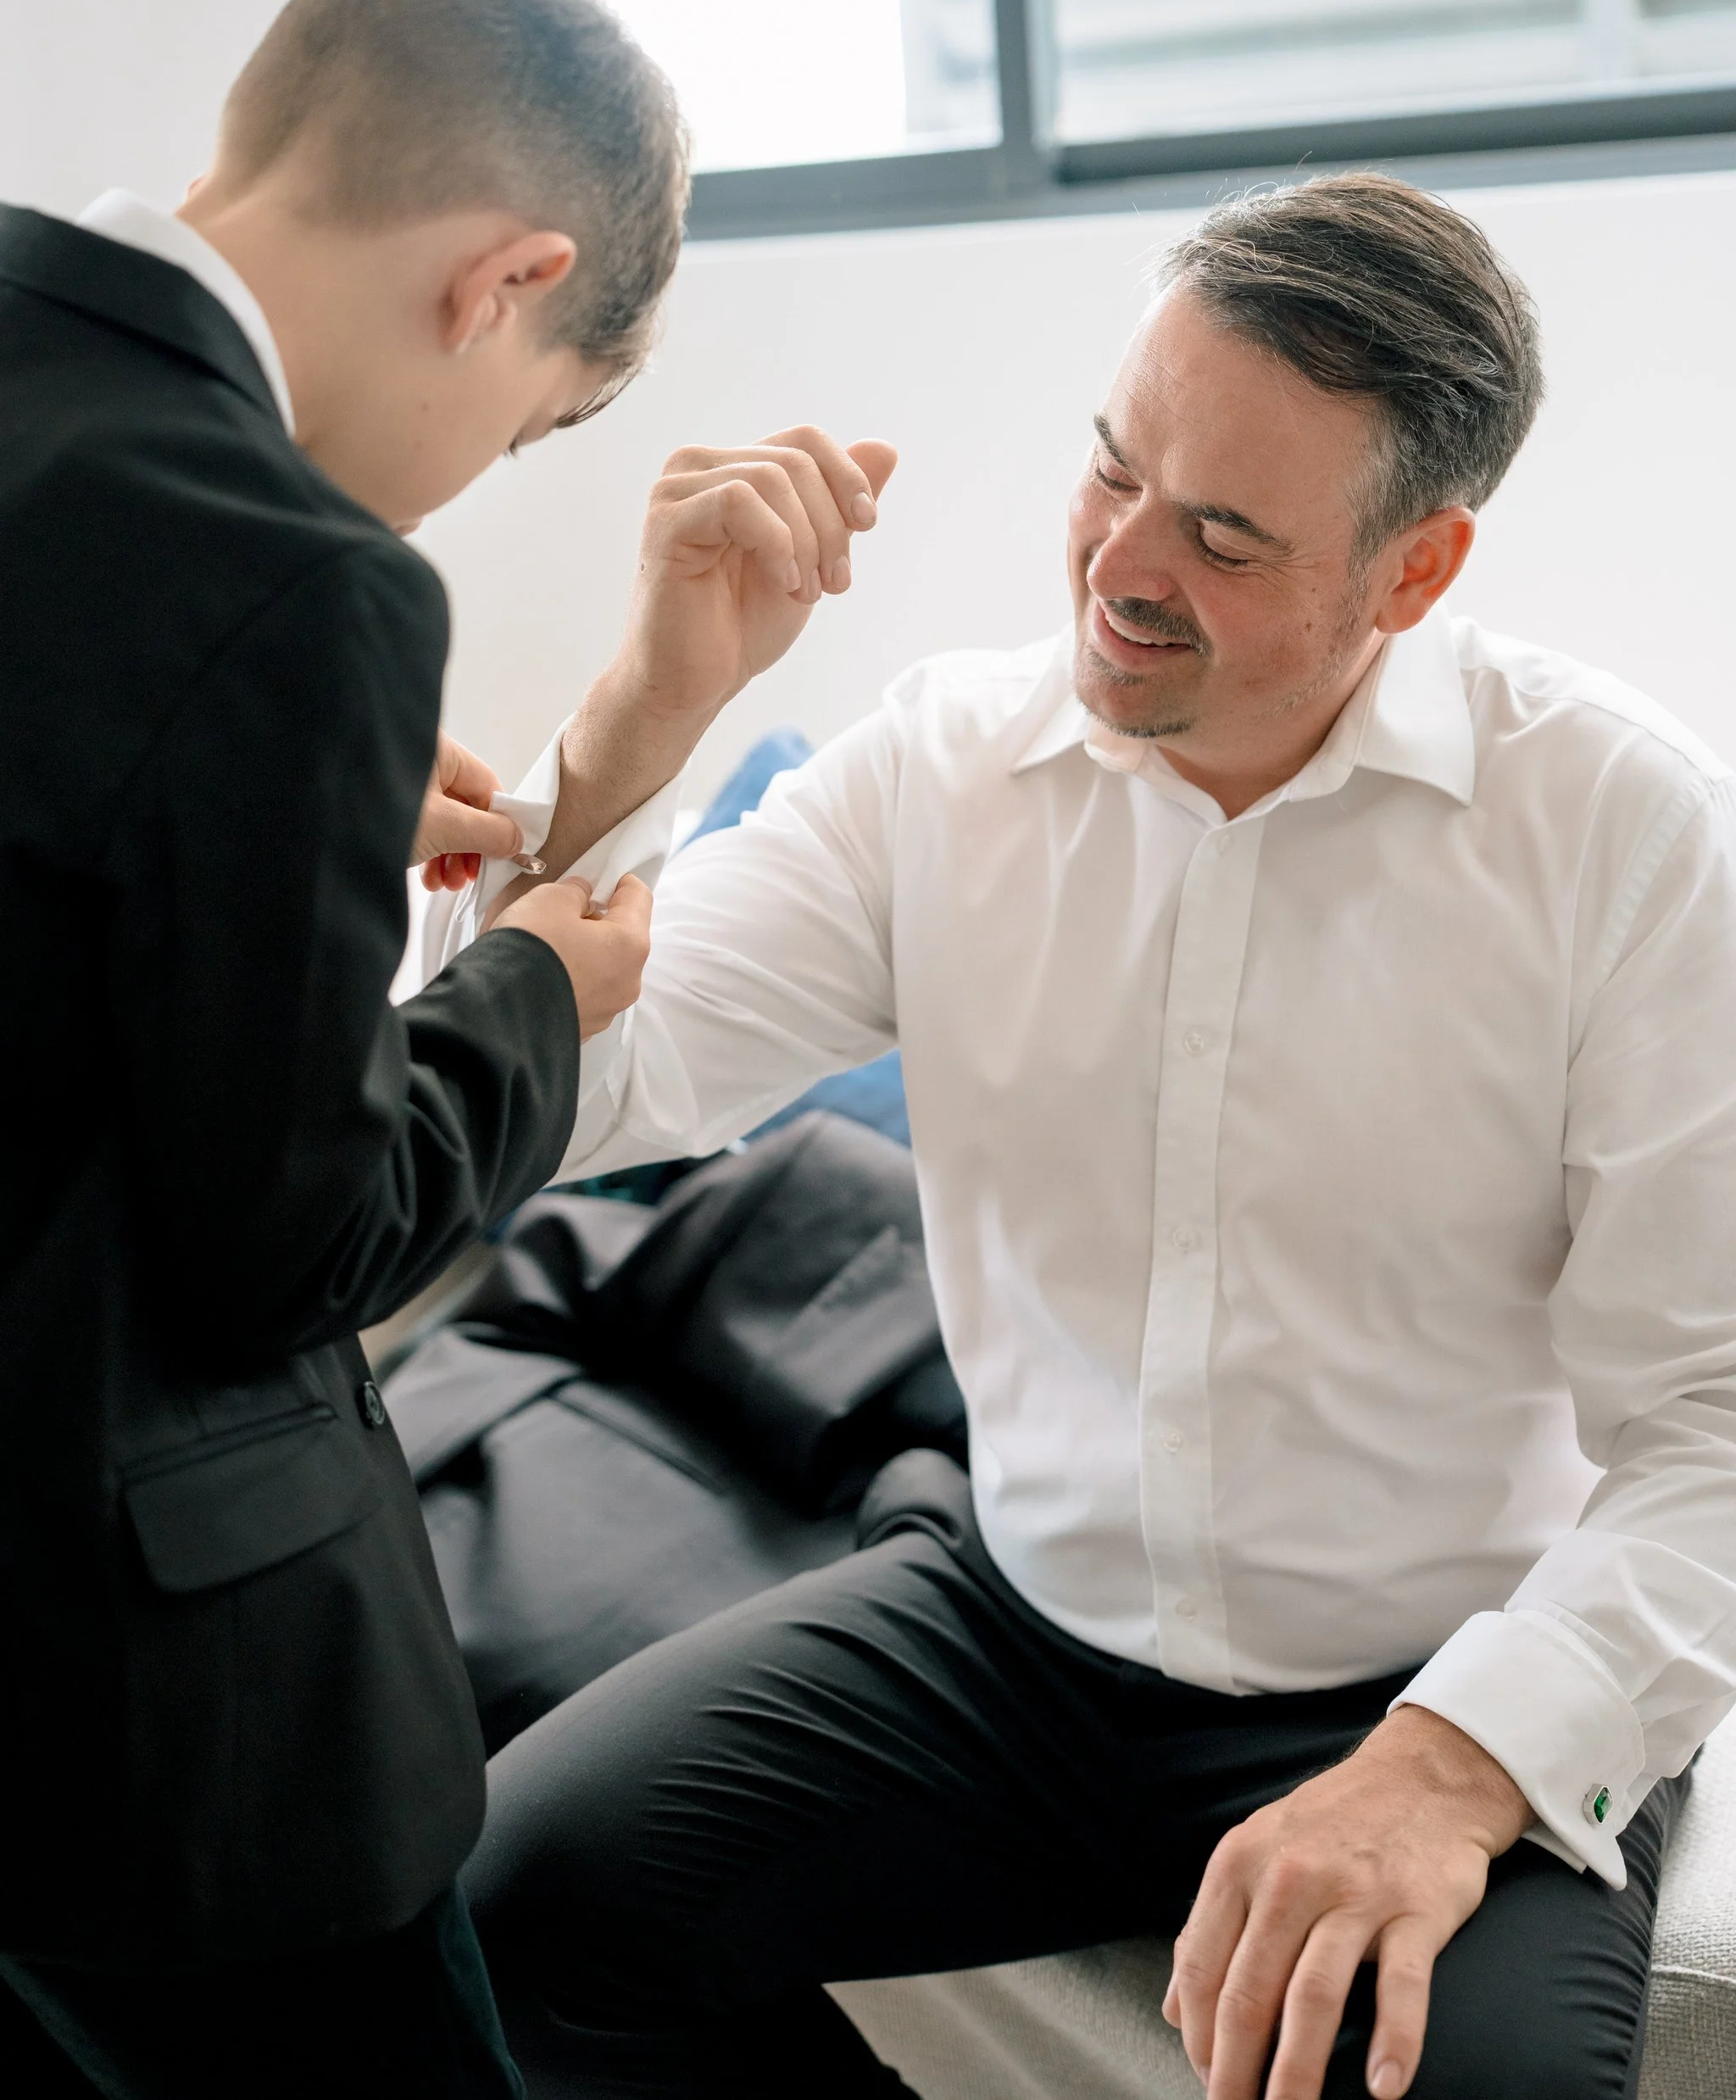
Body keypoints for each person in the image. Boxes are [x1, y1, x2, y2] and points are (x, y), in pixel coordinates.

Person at [407, 173, 1736, 2100]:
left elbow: (1713, 1431)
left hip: (1430, 1672)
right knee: (513, 1904)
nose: (1121, 562)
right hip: (1013, 1639)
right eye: (1111, 469)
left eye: (1221, 533)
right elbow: (567, 1103)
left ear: (1414, 571)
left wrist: (1451, 1769)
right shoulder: (939, 772)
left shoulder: (1624, 837)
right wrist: (652, 702)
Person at [0, 0, 893, 2099]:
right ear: (502, 279)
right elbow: (295, 1230)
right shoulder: (288, 580)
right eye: (527, 429)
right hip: (160, 1737)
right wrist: (533, 989)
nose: (466, 483)